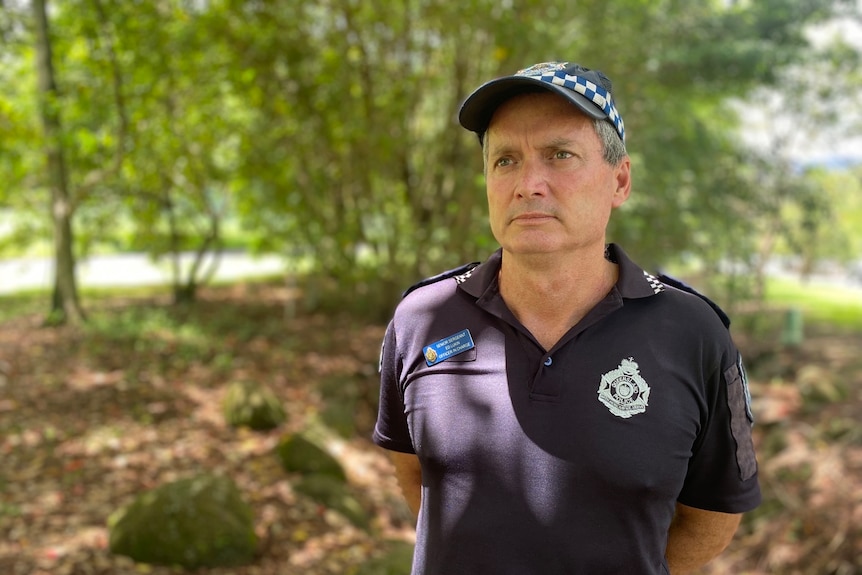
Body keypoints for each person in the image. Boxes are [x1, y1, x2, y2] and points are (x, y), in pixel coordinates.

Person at [373, 60, 761, 575]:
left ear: (619, 181)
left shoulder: (694, 334)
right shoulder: (422, 319)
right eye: (505, 160)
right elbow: (415, 474)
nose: (528, 183)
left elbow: (712, 513)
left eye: (560, 155)